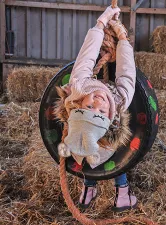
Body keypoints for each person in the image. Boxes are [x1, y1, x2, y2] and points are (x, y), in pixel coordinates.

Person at [54, 5, 137, 212]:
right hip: (103, 145)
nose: (99, 102)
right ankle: (123, 194)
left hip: (84, 144)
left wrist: (102, 22)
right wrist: (122, 37)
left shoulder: (79, 87)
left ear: (79, 104)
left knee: (84, 155)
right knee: (116, 154)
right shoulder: (119, 102)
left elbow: (87, 55)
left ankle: (87, 191)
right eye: (100, 112)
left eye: (90, 107)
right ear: (109, 117)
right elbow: (127, 71)